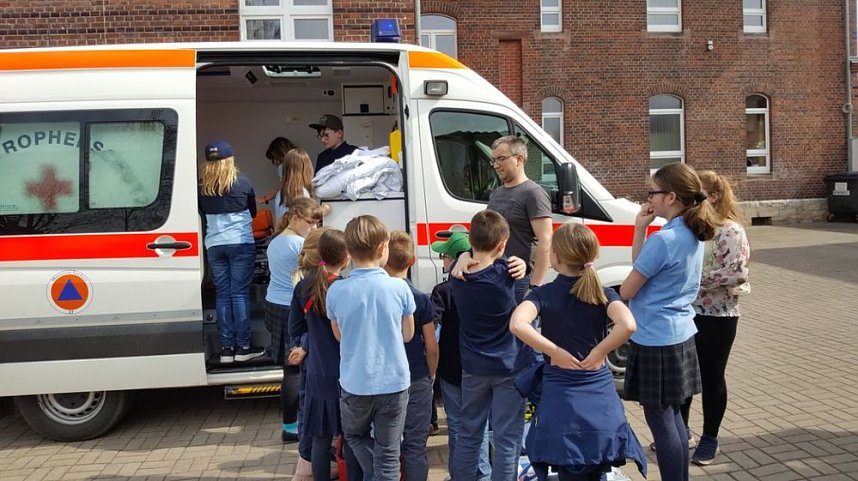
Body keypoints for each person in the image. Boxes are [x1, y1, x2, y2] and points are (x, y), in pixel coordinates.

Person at [509, 223, 646, 481]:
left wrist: (555, 351)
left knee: (568, 466)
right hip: (599, 396)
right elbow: (628, 324)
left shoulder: (544, 294)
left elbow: (517, 324)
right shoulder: (602, 293)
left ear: (556, 257)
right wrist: (599, 351)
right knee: (596, 466)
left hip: (562, 397)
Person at [619, 162, 720, 481]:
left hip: (655, 338)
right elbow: (643, 265)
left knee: (662, 424)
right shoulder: (689, 232)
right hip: (679, 333)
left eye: (653, 191)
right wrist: (640, 227)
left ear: (671, 197)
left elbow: (628, 288)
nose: (649, 197)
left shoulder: (665, 239)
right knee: (673, 416)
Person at [327, 215, 415, 481]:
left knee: (354, 435)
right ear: (381, 249)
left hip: (355, 383)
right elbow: (408, 335)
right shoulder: (399, 288)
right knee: (389, 452)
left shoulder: (336, 291)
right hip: (394, 382)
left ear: (349, 251)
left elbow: (339, 336)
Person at [450, 210, 535, 481]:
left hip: (474, 368)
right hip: (509, 366)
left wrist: (464, 256)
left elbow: (468, 257)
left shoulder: (457, 277)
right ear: (502, 245)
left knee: (469, 433)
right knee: (507, 437)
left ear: (471, 241)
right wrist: (524, 264)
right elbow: (522, 273)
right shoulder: (506, 275)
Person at [680, 170, 751, 466]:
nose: (693, 202)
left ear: (715, 196)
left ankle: (710, 437)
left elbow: (735, 273)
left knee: (711, 377)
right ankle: (680, 433)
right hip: (687, 312)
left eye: (700, 196)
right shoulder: (690, 227)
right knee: (684, 377)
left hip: (719, 315)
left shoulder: (730, 230)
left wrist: (691, 280)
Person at [288, 228, 362, 481]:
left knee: (320, 438)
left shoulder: (303, 287)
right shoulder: (347, 288)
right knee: (351, 437)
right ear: (347, 257)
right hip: (347, 373)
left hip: (317, 374)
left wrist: (306, 345)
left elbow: (295, 328)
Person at [429, 230, 493, 481]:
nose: (442, 260)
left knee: (457, 425)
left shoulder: (443, 290)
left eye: (444, 255)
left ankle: (461, 474)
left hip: (453, 369)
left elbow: (433, 331)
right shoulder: (489, 285)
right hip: (483, 368)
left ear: (458, 257)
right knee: (482, 425)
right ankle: (482, 474)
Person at [198, 140, 265, 364]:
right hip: (240, 244)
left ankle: (227, 348)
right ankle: (244, 347)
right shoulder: (242, 183)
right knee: (239, 294)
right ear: (230, 161)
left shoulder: (201, 187)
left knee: (223, 295)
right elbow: (253, 212)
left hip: (214, 246)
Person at [265, 197, 323, 442]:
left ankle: (291, 423)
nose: (312, 228)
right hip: (291, 308)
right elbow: (314, 272)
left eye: (316, 223)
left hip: (273, 304)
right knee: (294, 371)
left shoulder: (275, 241)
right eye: (309, 222)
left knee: (288, 367)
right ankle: (291, 426)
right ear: (295, 217)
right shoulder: (298, 244)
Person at [384, 231, 439, 481]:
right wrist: (431, 372)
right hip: (416, 375)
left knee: (387, 447)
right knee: (416, 446)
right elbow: (431, 344)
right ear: (412, 261)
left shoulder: (379, 296)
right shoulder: (419, 298)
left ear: (384, 259)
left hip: (385, 378)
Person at [487, 135, 553, 301]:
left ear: (519, 159)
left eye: (501, 159)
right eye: (493, 160)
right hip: (495, 278)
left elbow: (546, 241)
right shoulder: (496, 194)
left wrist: (534, 287)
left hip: (521, 281)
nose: (496, 165)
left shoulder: (534, 193)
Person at [257, 136, 298, 205]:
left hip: (288, 202)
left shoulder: (283, 166)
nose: (275, 161)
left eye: (275, 157)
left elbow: (282, 186)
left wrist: (265, 198)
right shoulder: (299, 162)